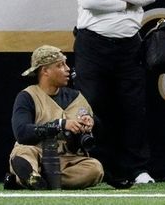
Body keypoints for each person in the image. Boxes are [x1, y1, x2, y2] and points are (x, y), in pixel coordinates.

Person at [70, 0, 157, 189]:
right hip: (93, 45)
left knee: (133, 108)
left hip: (129, 46)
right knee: (91, 105)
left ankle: (138, 168)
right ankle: (94, 166)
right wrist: (128, 3)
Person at [7, 46, 104, 190]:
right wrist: (59, 125)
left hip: (68, 159)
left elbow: (100, 129)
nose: (67, 69)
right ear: (45, 70)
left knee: (95, 168)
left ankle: (33, 179)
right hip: (38, 152)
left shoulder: (76, 96)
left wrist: (91, 123)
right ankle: (33, 173)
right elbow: (21, 133)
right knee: (23, 154)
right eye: (60, 65)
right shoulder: (28, 96)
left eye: (65, 64)